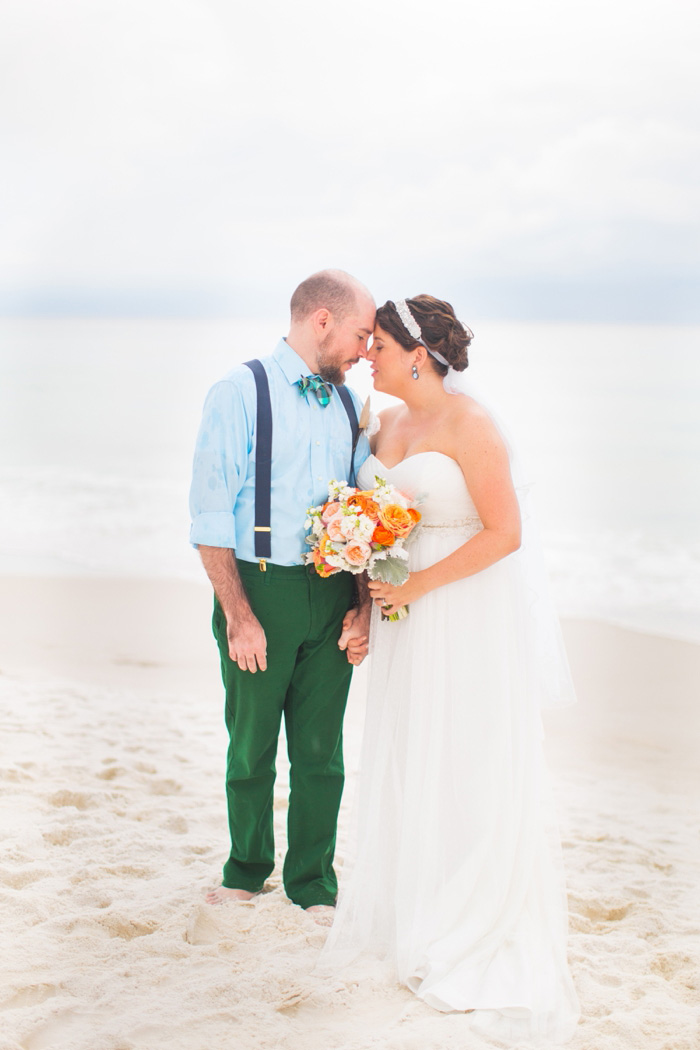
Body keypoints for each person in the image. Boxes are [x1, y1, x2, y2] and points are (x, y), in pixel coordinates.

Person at [319, 296, 580, 1042]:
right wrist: (366, 609)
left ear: (419, 354)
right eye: (365, 344)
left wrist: (416, 588)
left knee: (466, 754)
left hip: (462, 607)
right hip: (401, 611)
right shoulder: (386, 421)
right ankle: (418, 906)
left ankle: (470, 915)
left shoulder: (472, 425)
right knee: (410, 752)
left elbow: (506, 533)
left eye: (379, 344)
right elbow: (374, 529)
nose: (368, 354)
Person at [189, 269, 375, 923]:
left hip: (332, 594)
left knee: (322, 751)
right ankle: (246, 871)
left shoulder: (351, 405)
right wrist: (238, 616)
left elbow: (361, 508)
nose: (364, 351)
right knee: (253, 745)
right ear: (321, 320)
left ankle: (313, 884)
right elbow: (210, 515)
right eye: (359, 334)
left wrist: (364, 604)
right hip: (260, 589)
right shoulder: (240, 391)